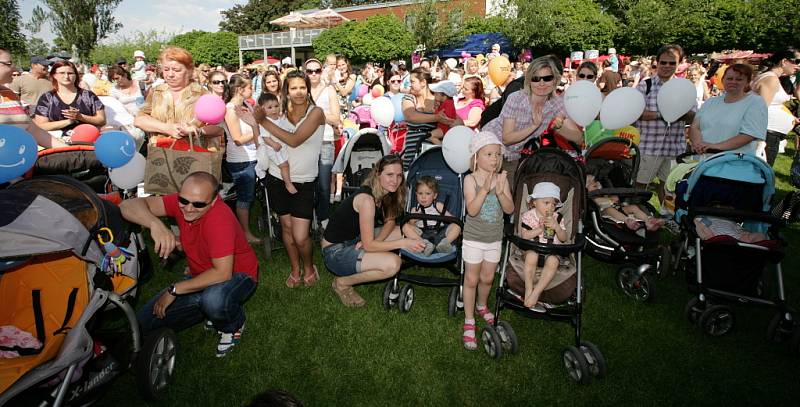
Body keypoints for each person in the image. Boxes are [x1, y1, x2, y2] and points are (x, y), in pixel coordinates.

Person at [119, 171, 258, 358]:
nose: (188, 208)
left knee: (213, 300)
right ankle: (210, 311)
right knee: (142, 324)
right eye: (183, 200)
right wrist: (156, 225)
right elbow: (126, 205)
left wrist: (174, 289)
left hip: (238, 274)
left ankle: (232, 324)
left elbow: (222, 274)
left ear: (214, 200)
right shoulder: (183, 202)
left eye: (199, 204)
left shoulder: (219, 220)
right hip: (202, 274)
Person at [253, 70, 326, 288]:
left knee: (301, 235)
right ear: (287, 90)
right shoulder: (280, 113)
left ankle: (309, 266)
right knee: (286, 229)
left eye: (302, 87)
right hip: (277, 177)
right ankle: (295, 269)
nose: (299, 92)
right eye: (293, 88)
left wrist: (263, 122)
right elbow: (263, 138)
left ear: (308, 88)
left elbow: (294, 140)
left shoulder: (316, 113)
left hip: (304, 182)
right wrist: (257, 123)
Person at [321, 154, 425, 307]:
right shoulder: (367, 199)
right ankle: (342, 283)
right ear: (378, 174)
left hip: (355, 240)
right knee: (393, 264)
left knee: (407, 228)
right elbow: (369, 246)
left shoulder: (386, 193)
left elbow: (390, 223)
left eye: (398, 176)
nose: (395, 180)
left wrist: (376, 242)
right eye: (389, 175)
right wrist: (402, 243)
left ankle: (426, 250)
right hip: (335, 253)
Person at [481, 56, 583, 180]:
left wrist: (559, 127)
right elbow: (507, 138)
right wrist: (534, 126)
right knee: (485, 192)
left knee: (513, 192)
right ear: (529, 80)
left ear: (555, 80)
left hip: (514, 154)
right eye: (536, 78)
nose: (541, 83)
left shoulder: (556, 103)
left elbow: (578, 138)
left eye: (547, 78)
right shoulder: (516, 98)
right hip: (489, 146)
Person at [461, 132, 514, 350]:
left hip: (494, 239)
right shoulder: (470, 179)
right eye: (489, 154)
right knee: (472, 279)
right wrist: (485, 188)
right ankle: (469, 319)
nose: (494, 158)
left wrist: (500, 192)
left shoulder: (502, 178)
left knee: (488, 277)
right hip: (474, 239)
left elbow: (510, 209)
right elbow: (472, 210)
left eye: (497, 154)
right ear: (476, 157)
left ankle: (482, 305)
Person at [634, 44, 695, 210]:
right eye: (663, 62)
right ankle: (636, 214)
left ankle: (667, 216)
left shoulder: (684, 88)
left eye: (672, 63)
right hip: (648, 146)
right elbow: (636, 113)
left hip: (675, 148)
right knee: (640, 185)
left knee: (669, 186)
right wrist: (663, 114)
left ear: (679, 64)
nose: (667, 67)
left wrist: (679, 112)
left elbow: (693, 115)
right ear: (657, 62)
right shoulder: (645, 86)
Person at [135, 46, 223, 154]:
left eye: (176, 70)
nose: (170, 74)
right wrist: (166, 128)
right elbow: (139, 120)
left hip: (194, 158)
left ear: (189, 70)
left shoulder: (203, 95)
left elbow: (219, 128)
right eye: (166, 70)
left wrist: (197, 131)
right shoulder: (155, 92)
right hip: (160, 158)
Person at [689, 63, 767, 155]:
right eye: (729, 78)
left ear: (747, 82)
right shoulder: (711, 102)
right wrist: (698, 144)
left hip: (734, 161)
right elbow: (695, 127)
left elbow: (749, 135)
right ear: (723, 80)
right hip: (704, 159)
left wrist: (715, 146)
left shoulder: (755, 102)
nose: (733, 82)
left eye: (739, 79)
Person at [222, 74, 261, 243]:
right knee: (244, 197)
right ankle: (245, 232)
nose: (252, 90)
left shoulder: (246, 104)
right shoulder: (230, 110)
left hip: (253, 156)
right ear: (239, 90)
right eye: (249, 87)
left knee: (249, 195)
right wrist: (256, 130)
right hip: (241, 160)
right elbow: (237, 139)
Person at [0, 48, 64, 148]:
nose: (14, 69)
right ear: (34, 65)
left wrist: (68, 150)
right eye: (9, 64)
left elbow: (32, 129)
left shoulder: (9, 94)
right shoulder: (20, 81)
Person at [519, 182, 568, 310]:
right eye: (546, 203)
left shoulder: (557, 218)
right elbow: (524, 235)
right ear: (534, 202)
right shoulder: (528, 216)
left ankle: (536, 292)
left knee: (552, 261)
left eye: (554, 204)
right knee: (531, 256)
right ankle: (529, 289)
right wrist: (539, 230)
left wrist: (557, 227)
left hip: (551, 251)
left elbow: (564, 238)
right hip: (532, 248)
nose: (550, 207)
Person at [306, 58, 341, 232]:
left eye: (317, 70)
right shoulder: (300, 91)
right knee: (308, 182)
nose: (313, 74)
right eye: (310, 71)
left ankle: (324, 217)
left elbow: (336, 118)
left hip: (326, 141)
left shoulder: (329, 90)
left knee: (324, 183)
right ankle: (310, 217)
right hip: (305, 142)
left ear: (322, 71)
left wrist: (318, 113)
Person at [751, 49, 799, 166]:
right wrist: (760, 140)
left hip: (770, 133)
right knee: (761, 174)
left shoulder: (771, 77)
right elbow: (760, 110)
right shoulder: (771, 79)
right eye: (797, 61)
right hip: (766, 135)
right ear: (784, 61)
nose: (798, 66)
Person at [33, 60, 106, 134]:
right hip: (56, 140)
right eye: (62, 73)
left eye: (70, 73)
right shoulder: (46, 98)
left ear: (76, 75)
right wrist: (69, 121)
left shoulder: (89, 95)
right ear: (54, 75)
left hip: (86, 138)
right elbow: (41, 125)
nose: (66, 76)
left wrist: (80, 117)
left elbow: (102, 120)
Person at [401, 68, 453, 168]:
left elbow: (455, 119)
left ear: (423, 82)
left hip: (433, 152)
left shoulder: (439, 99)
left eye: (412, 81)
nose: (410, 85)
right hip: (412, 152)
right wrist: (437, 117)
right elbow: (410, 116)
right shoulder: (409, 98)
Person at [402, 175, 462, 256]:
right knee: (405, 226)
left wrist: (446, 218)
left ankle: (445, 243)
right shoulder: (414, 209)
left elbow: (452, 219)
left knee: (457, 225)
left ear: (435, 196)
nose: (423, 197)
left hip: (440, 234)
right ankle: (424, 245)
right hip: (422, 234)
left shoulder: (438, 205)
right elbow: (411, 225)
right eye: (420, 193)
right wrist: (415, 217)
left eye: (428, 193)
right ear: (416, 194)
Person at [586, 174, 664, 231]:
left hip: (618, 207)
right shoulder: (591, 197)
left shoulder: (604, 193)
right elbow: (598, 202)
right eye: (589, 182)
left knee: (633, 207)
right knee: (610, 210)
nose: (593, 183)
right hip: (603, 211)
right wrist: (610, 200)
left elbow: (616, 199)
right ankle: (627, 220)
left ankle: (648, 220)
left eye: (594, 181)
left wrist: (610, 197)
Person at [256, 92, 294, 194]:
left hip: (283, 147)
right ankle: (288, 183)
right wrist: (273, 144)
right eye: (270, 107)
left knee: (290, 163)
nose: (274, 110)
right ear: (262, 109)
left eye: (276, 106)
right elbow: (265, 137)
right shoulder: (265, 122)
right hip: (274, 149)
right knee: (284, 166)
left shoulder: (280, 119)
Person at [428, 80, 458, 144]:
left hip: (445, 128)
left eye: (436, 94)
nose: (434, 96)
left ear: (444, 96)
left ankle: (442, 148)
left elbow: (446, 117)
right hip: (443, 128)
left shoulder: (448, 104)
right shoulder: (447, 103)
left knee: (430, 136)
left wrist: (435, 112)